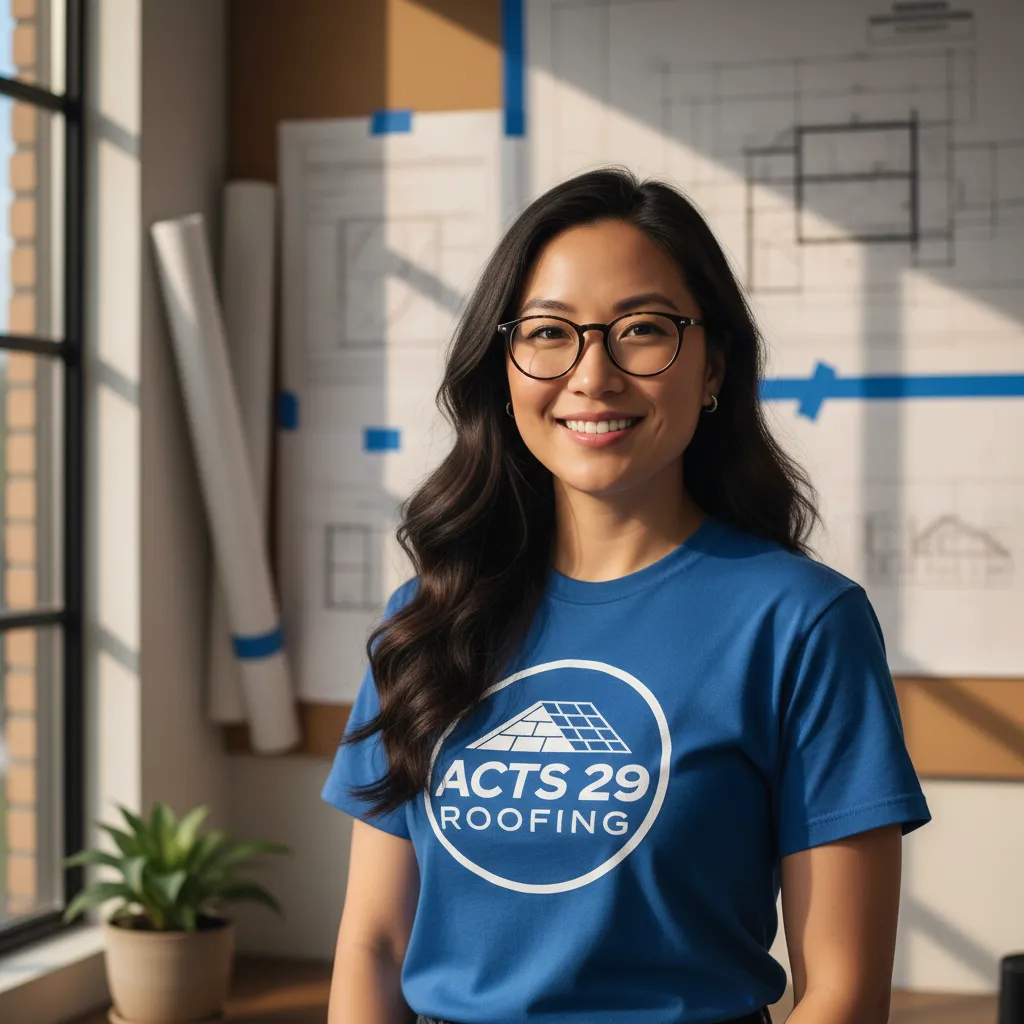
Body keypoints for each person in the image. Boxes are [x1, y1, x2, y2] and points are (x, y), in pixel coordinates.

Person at [321, 168, 931, 1024]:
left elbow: (843, 991)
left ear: (713, 364)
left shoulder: (802, 624)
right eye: (548, 334)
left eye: (642, 330)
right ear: (504, 367)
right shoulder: (427, 617)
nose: (592, 374)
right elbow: (373, 946)